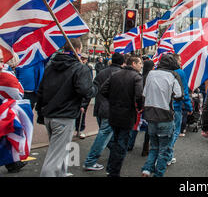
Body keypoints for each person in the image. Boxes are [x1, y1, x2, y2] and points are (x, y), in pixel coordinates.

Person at [36, 38, 97, 177]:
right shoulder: (79, 67)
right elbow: (85, 91)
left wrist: (41, 112)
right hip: (64, 115)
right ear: (77, 50)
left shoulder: (51, 66)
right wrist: (95, 88)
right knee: (54, 158)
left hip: (50, 114)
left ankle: (61, 173)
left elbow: (41, 90)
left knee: (60, 151)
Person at [101, 56, 144, 177]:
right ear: (134, 63)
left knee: (116, 142)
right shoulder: (136, 77)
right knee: (121, 144)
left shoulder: (116, 74)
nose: (141, 65)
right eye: (140, 63)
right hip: (127, 114)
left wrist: (113, 100)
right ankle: (114, 172)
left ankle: (110, 168)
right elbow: (139, 95)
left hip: (114, 113)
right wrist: (140, 107)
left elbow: (103, 90)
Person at [141, 54, 183, 177]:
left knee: (154, 146)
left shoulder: (151, 74)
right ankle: (158, 174)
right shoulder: (173, 75)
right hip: (165, 115)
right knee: (164, 149)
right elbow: (179, 95)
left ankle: (147, 169)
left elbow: (144, 94)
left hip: (150, 115)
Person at [83, 53, 125, 171]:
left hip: (99, 107)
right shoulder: (120, 74)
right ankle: (90, 161)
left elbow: (93, 89)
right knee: (104, 135)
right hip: (110, 109)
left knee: (108, 135)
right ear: (122, 62)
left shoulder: (102, 72)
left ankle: (117, 153)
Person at [0, 50, 28, 173]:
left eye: (2, 61)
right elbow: (18, 95)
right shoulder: (7, 76)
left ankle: (12, 163)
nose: (2, 65)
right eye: (0, 61)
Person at [167, 54, 193, 166]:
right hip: (176, 106)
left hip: (163, 106)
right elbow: (184, 92)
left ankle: (165, 155)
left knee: (166, 132)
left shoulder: (163, 71)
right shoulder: (180, 72)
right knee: (175, 131)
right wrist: (189, 107)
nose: (181, 63)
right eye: (180, 61)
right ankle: (167, 155)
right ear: (176, 61)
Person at [128, 59, 154, 156]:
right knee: (148, 127)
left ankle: (130, 144)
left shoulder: (140, 77)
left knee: (136, 125)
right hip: (146, 104)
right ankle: (145, 147)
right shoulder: (150, 78)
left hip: (138, 105)